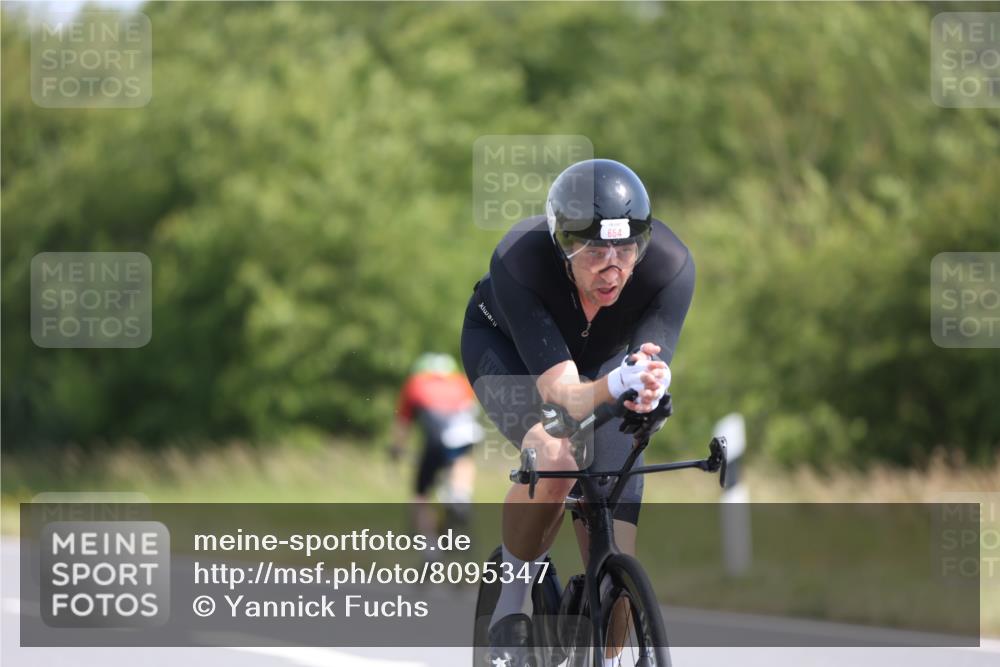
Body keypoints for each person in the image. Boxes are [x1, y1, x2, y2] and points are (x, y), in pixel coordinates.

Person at [460, 159, 695, 666]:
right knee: (557, 458)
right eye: (594, 250)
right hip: (512, 354)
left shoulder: (669, 267)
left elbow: (646, 366)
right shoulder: (520, 260)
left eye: (625, 248)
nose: (612, 267)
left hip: (602, 364)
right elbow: (565, 395)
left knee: (615, 540)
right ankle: (508, 608)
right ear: (563, 245)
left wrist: (650, 387)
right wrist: (616, 384)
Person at [392, 353, 484, 549]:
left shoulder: (415, 383)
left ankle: (430, 548)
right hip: (464, 434)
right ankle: (461, 495)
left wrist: (397, 449)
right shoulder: (460, 382)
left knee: (420, 495)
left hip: (435, 438)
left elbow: (403, 424)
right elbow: (472, 411)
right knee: (463, 459)